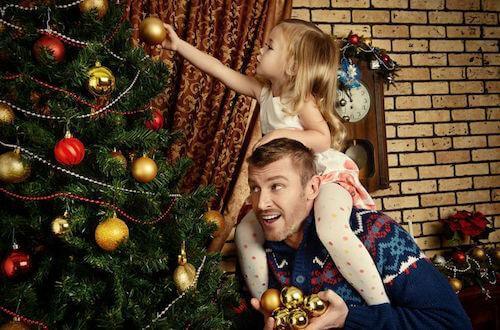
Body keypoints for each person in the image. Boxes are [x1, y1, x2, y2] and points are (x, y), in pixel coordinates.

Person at [160, 18, 388, 305]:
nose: (260, 50)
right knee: (244, 232)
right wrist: (179, 45)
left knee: (330, 229)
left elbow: (322, 139)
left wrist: (281, 133)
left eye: (269, 47)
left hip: (324, 175)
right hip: (285, 183)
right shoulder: (264, 92)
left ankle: (380, 302)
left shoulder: (299, 98)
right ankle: (267, 304)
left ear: (291, 65)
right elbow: (219, 70)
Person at [245, 138, 472, 330]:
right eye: (255, 188)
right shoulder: (260, 254)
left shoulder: (376, 234)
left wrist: (349, 319)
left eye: (276, 186)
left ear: (313, 188)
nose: (261, 203)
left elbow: (453, 323)